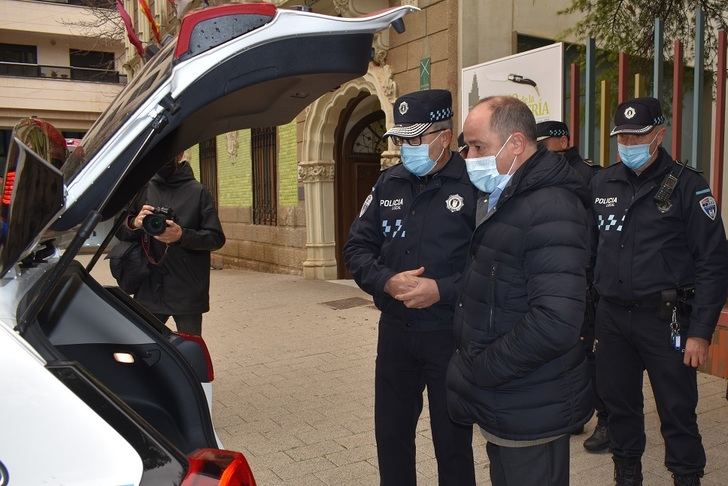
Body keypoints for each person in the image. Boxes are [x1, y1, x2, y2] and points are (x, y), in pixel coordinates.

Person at [446, 96, 592, 486]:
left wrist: (484, 369)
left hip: (529, 402)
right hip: (506, 399)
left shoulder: (551, 206)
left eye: (478, 147)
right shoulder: (502, 197)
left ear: (515, 144)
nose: (468, 156)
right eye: (466, 147)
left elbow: (555, 321)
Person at [590, 97, 728, 486]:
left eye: (639, 135)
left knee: (677, 409)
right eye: (623, 136)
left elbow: (714, 263)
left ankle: (687, 476)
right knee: (619, 406)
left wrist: (700, 331)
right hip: (613, 318)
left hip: (666, 319)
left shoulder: (688, 186)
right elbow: (589, 253)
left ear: (660, 134)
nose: (629, 143)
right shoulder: (602, 183)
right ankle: (627, 473)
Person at [343, 89, 477, 486]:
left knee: (452, 442)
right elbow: (356, 247)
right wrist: (386, 280)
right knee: (392, 436)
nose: (406, 148)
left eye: (416, 138)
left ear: (445, 137)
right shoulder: (389, 184)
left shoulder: (473, 185)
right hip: (397, 335)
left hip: (448, 334)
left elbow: (492, 264)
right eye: (402, 139)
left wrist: (444, 290)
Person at [537, 120, 609, 453]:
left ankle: (606, 419)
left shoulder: (591, 177)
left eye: (545, 142)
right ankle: (573, 413)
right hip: (553, 278)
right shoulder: (539, 174)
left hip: (586, 281)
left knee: (592, 355)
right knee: (563, 351)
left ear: (563, 141)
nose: (540, 148)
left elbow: (599, 234)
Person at [118, 152, 225, 336]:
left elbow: (215, 238)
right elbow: (119, 231)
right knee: (145, 347)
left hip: (186, 289)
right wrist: (134, 223)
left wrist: (182, 235)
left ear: (181, 153)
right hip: (149, 286)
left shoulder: (197, 191)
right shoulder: (144, 189)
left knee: (191, 351)